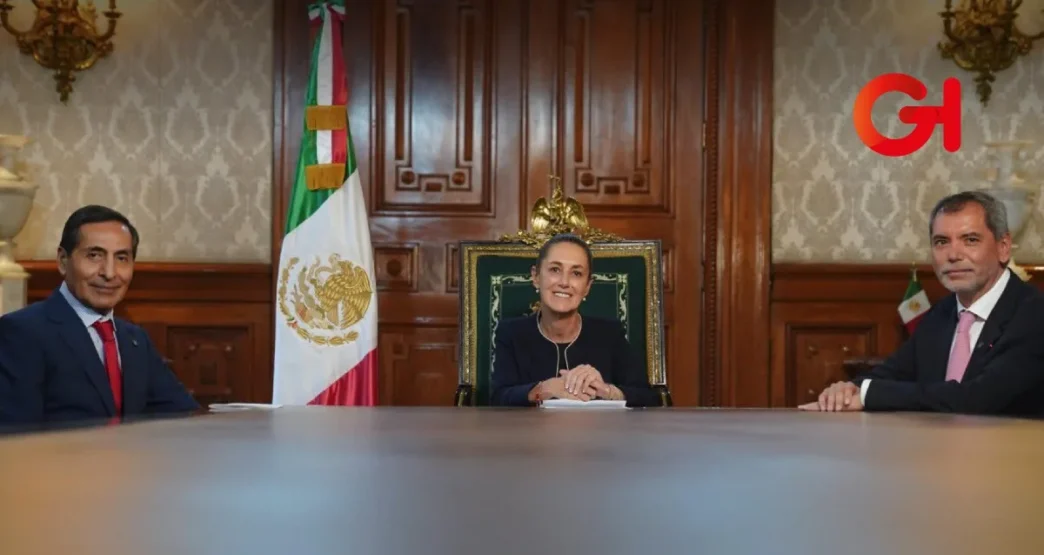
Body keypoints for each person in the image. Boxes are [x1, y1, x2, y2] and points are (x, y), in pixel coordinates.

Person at [801, 191, 1044, 416]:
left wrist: (868, 394)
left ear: (1003, 248)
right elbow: (892, 373)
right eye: (941, 242)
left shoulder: (1033, 314)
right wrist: (850, 389)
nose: (953, 255)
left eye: (970, 240)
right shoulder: (941, 313)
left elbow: (977, 399)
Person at [0, 205, 200, 424]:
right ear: (63, 261)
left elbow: (185, 415)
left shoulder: (135, 340)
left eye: (121, 258)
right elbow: (15, 435)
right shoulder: (22, 332)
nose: (109, 273)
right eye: (94, 256)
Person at [490, 233, 661, 407]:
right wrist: (542, 389)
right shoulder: (511, 333)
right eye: (555, 270)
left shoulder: (610, 334)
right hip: (529, 426)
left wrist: (607, 391)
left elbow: (649, 398)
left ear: (587, 286)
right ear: (536, 277)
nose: (564, 282)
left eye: (576, 273)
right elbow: (497, 398)